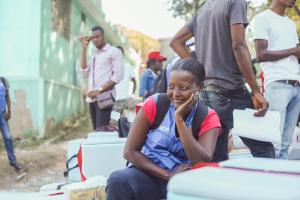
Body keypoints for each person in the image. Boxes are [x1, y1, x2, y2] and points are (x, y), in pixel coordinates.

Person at [170, 0, 275, 162]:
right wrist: (255, 90)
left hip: (207, 95)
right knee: (264, 150)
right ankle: (270, 188)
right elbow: (239, 45)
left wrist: (200, 68)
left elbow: (176, 42)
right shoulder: (235, 2)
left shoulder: (203, 9)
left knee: (216, 154)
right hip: (230, 91)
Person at [106, 59, 221, 200]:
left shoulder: (207, 116)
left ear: (199, 87)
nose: (175, 93)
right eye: (171, 86)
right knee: (118, 180)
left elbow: (201, 161)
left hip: (184, 182)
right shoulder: (156, 104)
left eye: (183, 88)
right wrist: (168, 174)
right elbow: (130, 152)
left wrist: (179, 121)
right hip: (148, 175)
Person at [252, 0, 300, 159]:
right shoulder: (262, 19)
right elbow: (261, 55)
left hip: (296, 85)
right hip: (278, 84)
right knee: (274, 142)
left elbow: (296, 53)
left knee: (286, 144)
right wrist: (293, 50)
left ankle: (280, 180)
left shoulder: (290, 23)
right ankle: (268, 179)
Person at [80, 26, 124, 130]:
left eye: (98, 36)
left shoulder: (114, 51)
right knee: (96, 131)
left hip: (105, 97)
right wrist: (84, 49)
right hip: (92, 99)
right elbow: (84, 72)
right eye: (93, 38)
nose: (95, 39)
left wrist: (99, 91)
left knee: (102, 132)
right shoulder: (95, 56)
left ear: (104, 36)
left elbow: (118, 76)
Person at [0, 77, 23, 171]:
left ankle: (13, 161)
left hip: (2, 115)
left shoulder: (3, 81)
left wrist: (9, 111)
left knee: (8, 137)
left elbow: (7, 97)